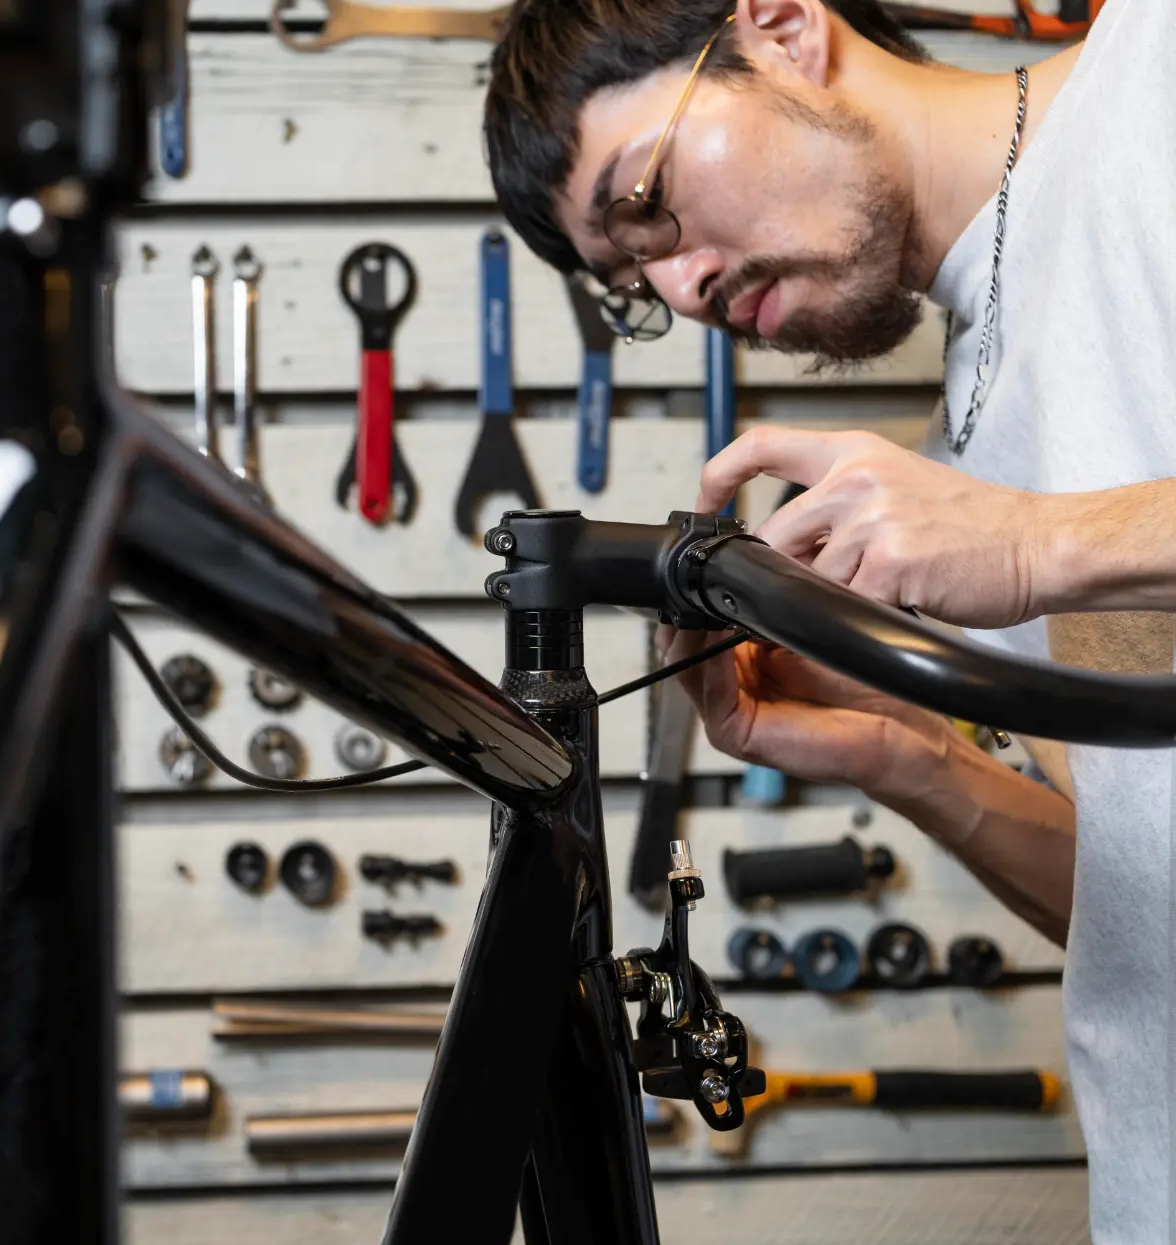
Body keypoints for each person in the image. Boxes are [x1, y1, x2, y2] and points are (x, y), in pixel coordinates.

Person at [484, 0, 1175, 1238]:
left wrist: (1036, 545)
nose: (681, 282)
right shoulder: (961, 442)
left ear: (780, 27)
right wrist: (912, 757)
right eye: (631, 282)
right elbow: (1140, 901)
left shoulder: (1157, 79)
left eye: (644, 203)